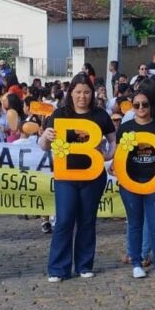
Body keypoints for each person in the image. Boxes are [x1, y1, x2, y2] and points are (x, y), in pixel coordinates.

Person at [39, 73, 116, 282]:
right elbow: (43, 145)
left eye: (87, 92)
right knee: (64, 220)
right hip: (66, 176)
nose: (83, 96)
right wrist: (45, 138)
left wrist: (108, 155)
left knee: (87, 220)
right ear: (70, 92)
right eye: (78, 92)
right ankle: (58, 268)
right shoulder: (59, 114)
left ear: (92, 93)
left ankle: (84, 264)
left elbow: (113, 139)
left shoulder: (100, 115)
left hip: (93, 176)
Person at [113, 88, 155, 279]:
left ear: (151, 106)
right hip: (130, 182)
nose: (140, 108)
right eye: (136, 105)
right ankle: (136, 262)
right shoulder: (125, 127)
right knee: (135, 224)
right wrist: (113, 166)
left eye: (144, 104)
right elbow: (118, 154)